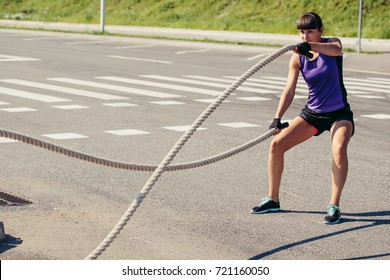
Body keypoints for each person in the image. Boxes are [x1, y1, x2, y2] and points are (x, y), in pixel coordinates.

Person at [250, 12, 354, 224]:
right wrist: (277, 117)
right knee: (276, 144)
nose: (305, 36)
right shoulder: (297, 57)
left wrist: (313, 47)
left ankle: (334, 206)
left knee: (339, 148)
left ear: (320, 32)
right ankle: (273, 199)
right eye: (302, 32)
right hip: (313, 113)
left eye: (310, 32)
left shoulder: (331, 44)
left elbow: (336, 50)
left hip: (339, 114)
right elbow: (289, 90)